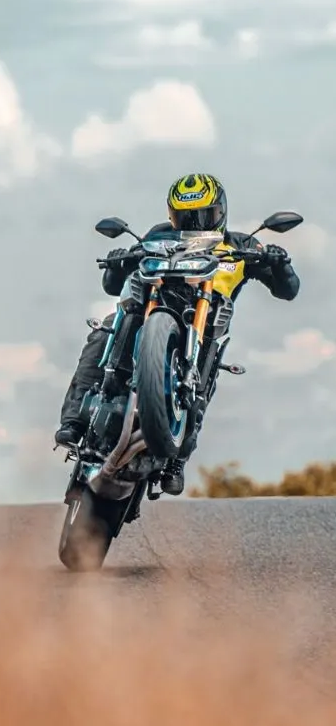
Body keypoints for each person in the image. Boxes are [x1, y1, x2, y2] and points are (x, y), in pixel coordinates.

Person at [54, 173, 300, 496]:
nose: (195, 224)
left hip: (203, 333)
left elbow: (288, 290)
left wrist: (280, 264)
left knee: (211, 362)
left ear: (220, 212)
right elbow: (112, 285)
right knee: (106, 327)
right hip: (150, 318)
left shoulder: (241, 246)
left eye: (203, 216)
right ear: (173, 214)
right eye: (186, 217)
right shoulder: (158, 236)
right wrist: (116, 264)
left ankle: (177, 458)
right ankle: (73, 420)